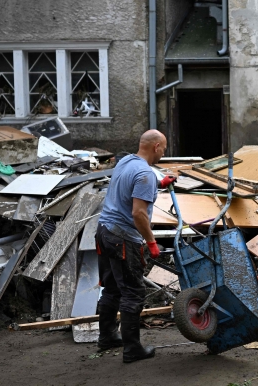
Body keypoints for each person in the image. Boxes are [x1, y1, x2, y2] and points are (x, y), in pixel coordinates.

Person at [95, 130, 175, 363]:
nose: (164, 152)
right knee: (133, 292)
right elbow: (139, 213)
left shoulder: (126, 162)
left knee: (112, 288)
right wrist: (151, 242)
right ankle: (132, 349)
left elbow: (131, 186)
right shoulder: (145, 174)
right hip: (122, 238)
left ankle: (107, 337)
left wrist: (160, 183)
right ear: (157, 146)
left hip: (104, 231)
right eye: (164, 148)